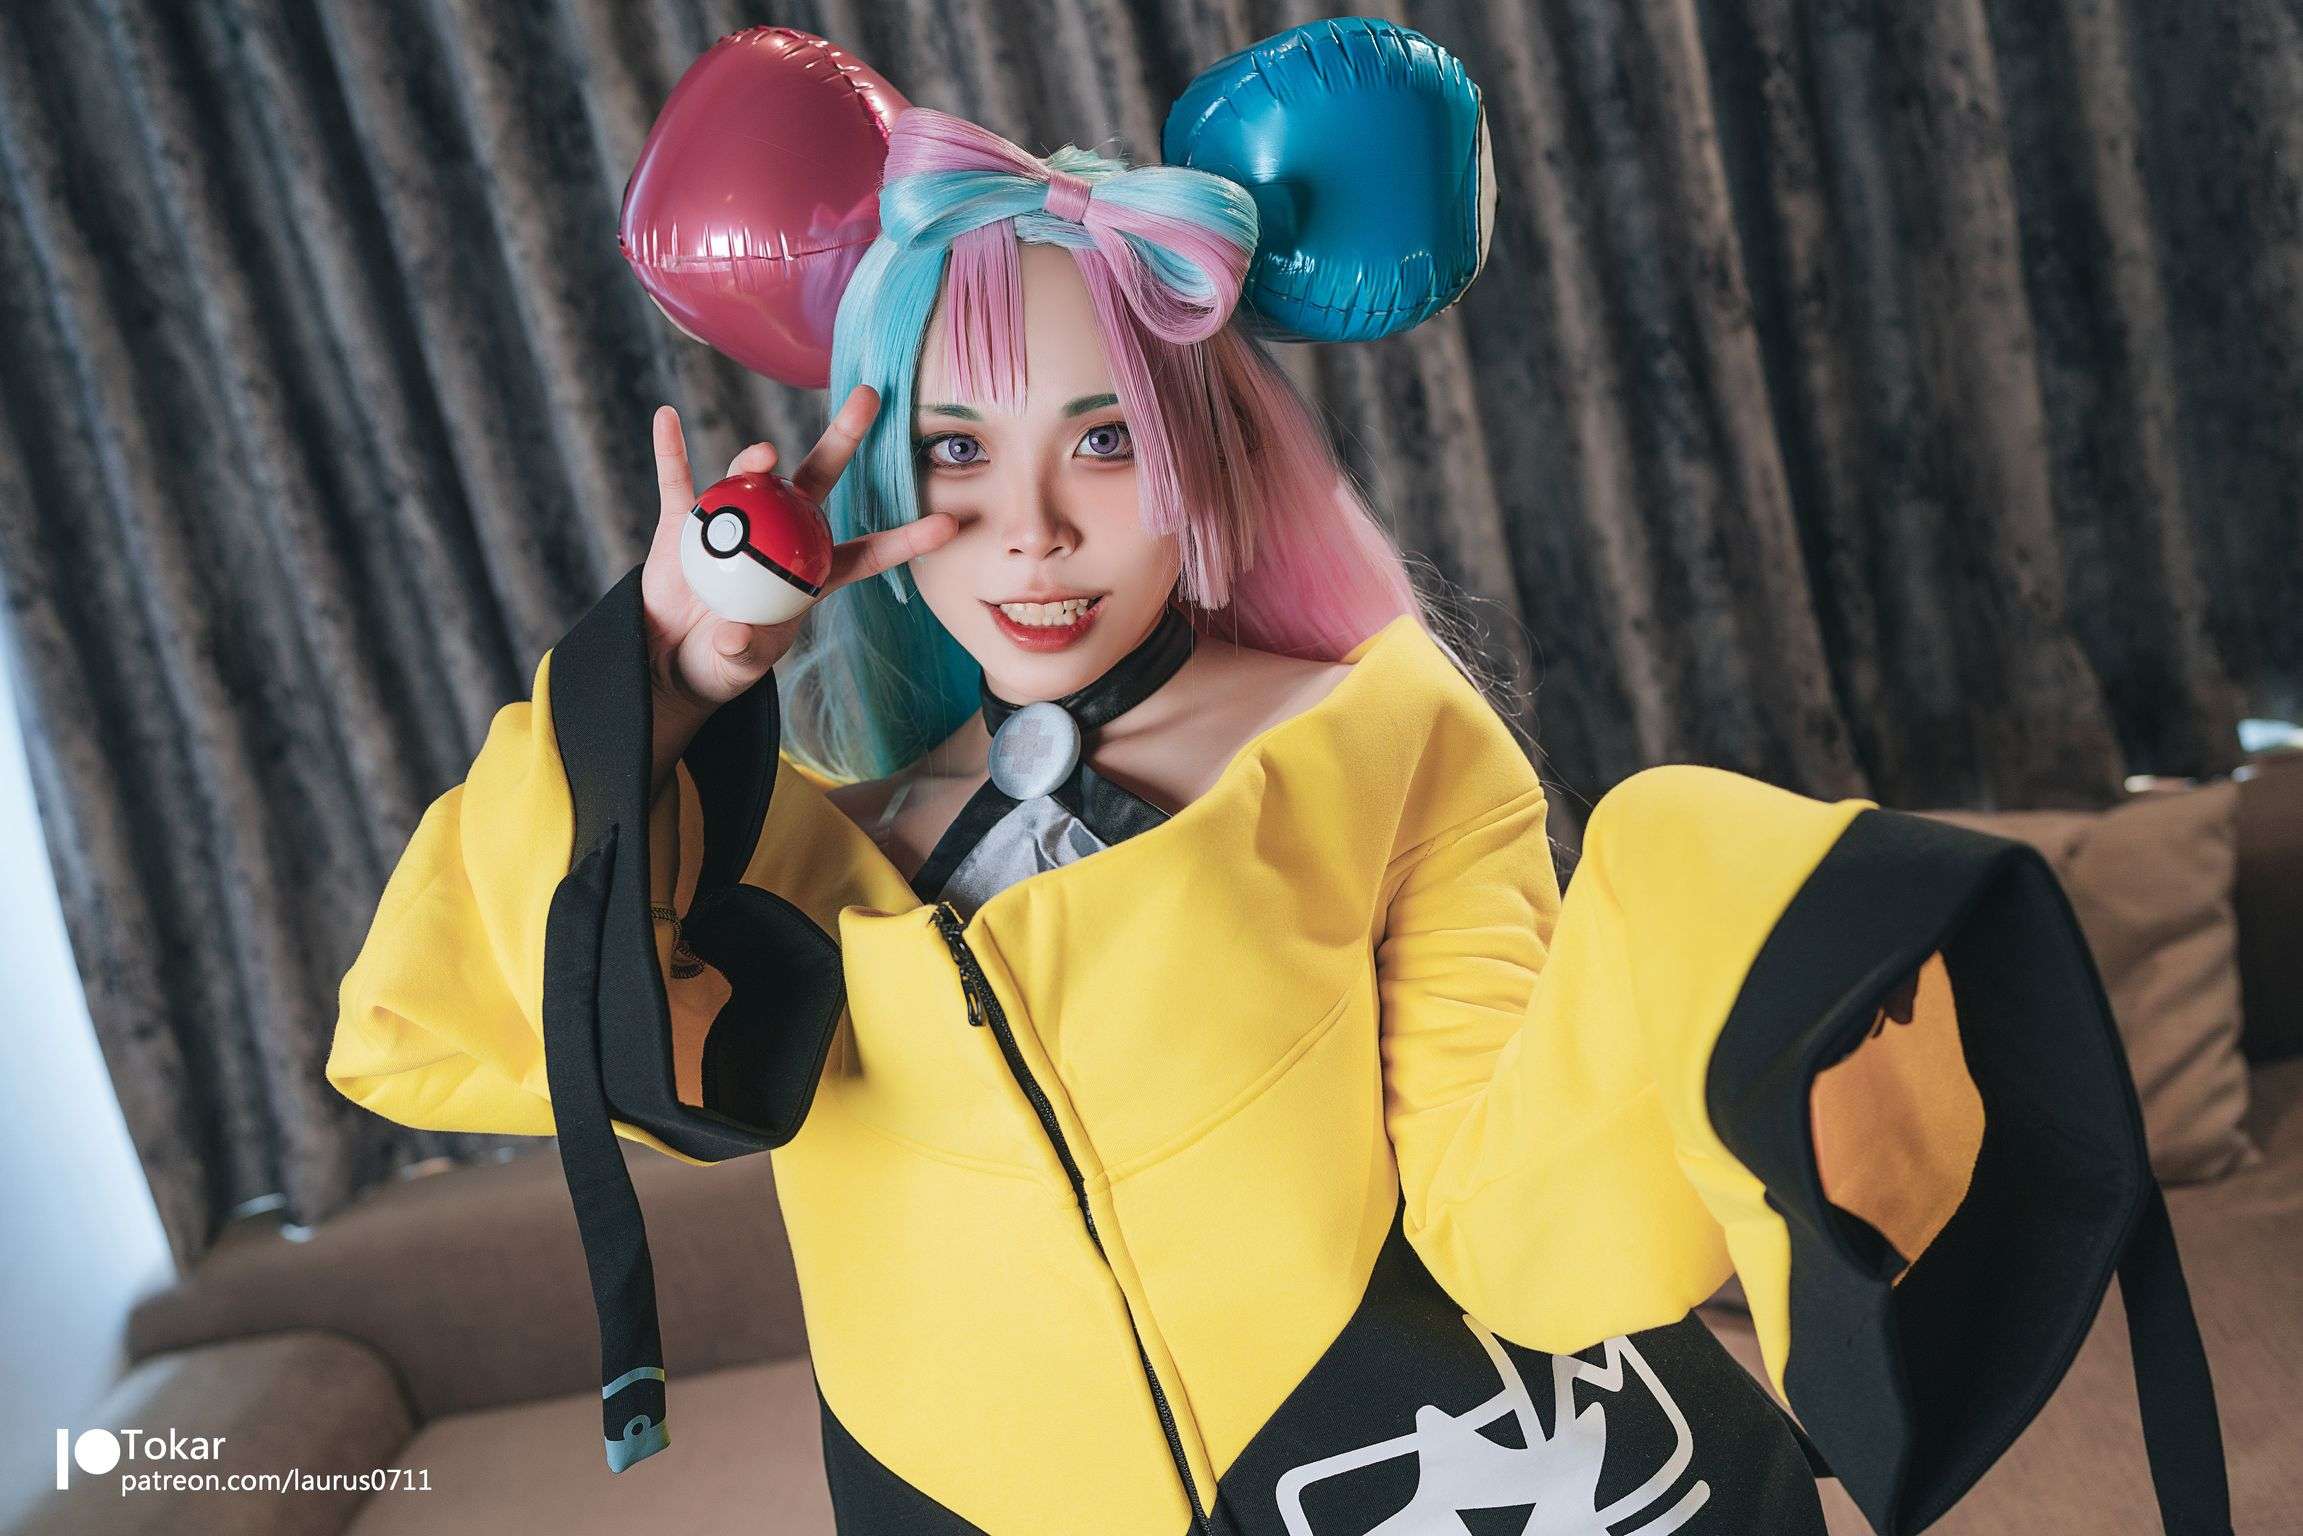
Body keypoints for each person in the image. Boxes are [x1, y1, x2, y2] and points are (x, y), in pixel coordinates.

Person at [329, 106, 2227, 1536]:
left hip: (1406, 1468)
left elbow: (1510, 1212)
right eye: (960, 452)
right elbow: (441, 1023)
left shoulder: (1375, 734)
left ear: (1202, 450)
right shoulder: (790, 845)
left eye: (1103, 440)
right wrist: (676, 662)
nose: (1032, 534)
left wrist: (1719, 944)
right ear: (883, 476)